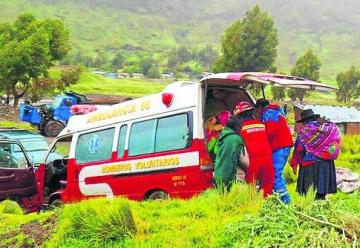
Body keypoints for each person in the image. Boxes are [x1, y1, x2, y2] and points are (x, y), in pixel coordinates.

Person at [291, 109, 341, 200]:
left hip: (310, 165)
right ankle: (321, 209)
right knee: (321, 193)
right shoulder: (330, 130)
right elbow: (335, 143)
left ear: (304, 121)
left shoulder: (305, 133)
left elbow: (299, 150)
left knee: (310, 193)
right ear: (314, 118)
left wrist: (294, 164)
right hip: (326, 165)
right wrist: (326, 154)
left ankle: (311, 209)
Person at [256, 98, 293, 204]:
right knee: (274, 173)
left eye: (257, 110)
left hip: (279, 147)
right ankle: (275, 199)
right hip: (284, 146)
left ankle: (286, 201)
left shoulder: (268, 113)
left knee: (276, 174)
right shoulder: (277, 112)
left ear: (259, 108)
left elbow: (270, 132)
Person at [233, 101, 274, 198]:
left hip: (252, 159)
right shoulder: (261, 124)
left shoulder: (240, 129)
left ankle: (252, 206)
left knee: (250, 187)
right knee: (267, 186)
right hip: (267, 158)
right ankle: (267, 206)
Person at [214, 116, 249, 192]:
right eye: (240, 126)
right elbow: (245, 162)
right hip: (234, 179)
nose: (241, 128)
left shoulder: (222, 137)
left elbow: (215, 152)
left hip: (220, 177)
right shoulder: (236, 139)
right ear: (236, 126)